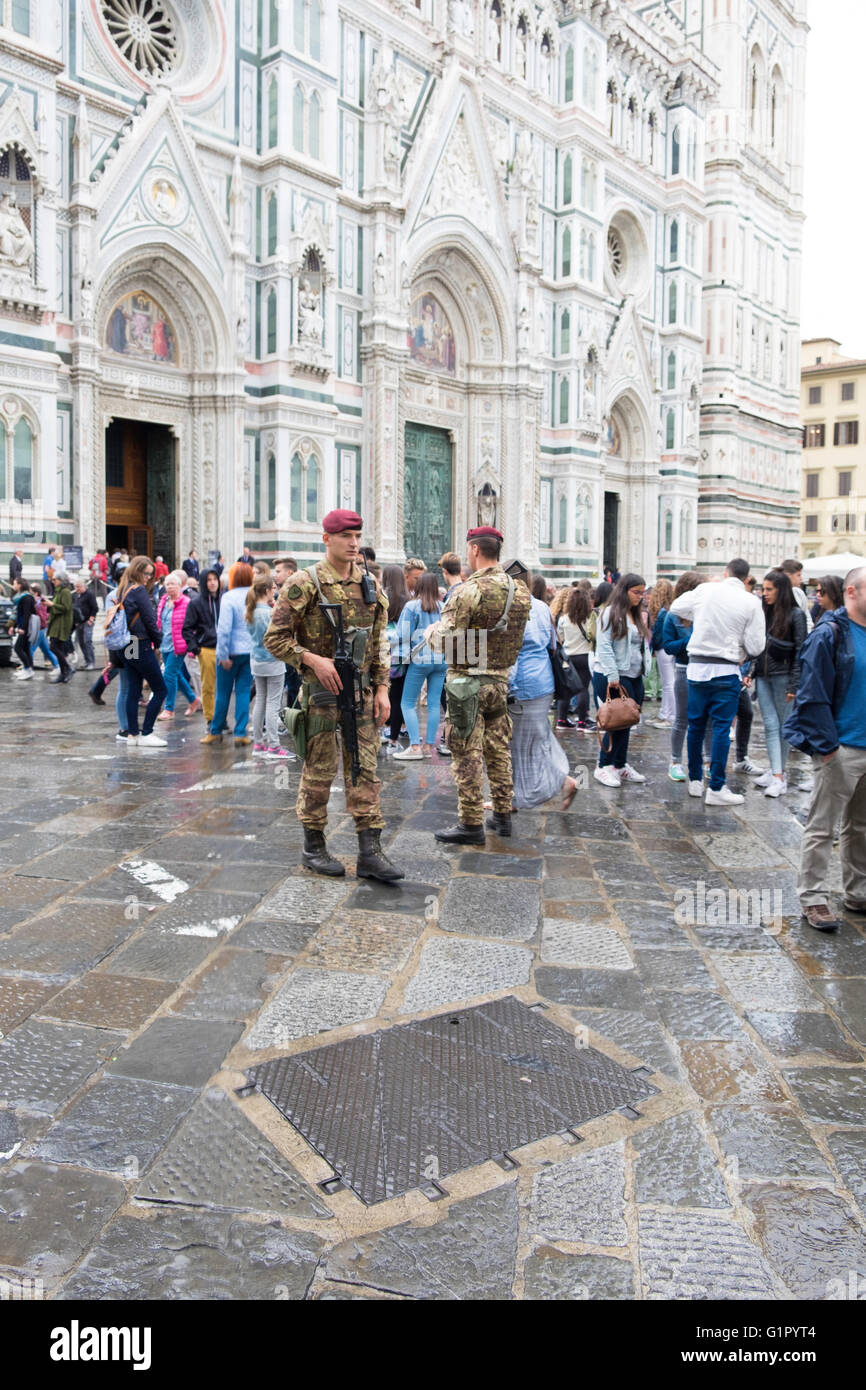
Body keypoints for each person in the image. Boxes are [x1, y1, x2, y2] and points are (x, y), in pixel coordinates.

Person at [263, 509, 403, 882]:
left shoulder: (370, 583)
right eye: (345, 536)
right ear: (327, 539)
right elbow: (274, 638)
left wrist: (384, 688)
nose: (354, 542)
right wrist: (311, 660)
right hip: (320, 696)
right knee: (319, 772)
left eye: (357, 535)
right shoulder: (304, 583)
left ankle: (370, 852)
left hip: (362, 696)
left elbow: (379, 642)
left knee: (365, 771)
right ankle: (314, 847)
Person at [430, 526, 531, 843]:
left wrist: (429, 633)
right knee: (499, 751)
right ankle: (502, 816)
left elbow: (447, 641)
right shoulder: (520, 592)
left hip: (466, 685)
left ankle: (471, 823)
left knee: (466, 754)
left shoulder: (466, 591)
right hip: (500, 682)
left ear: (474, 550)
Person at [783, 565, 866, 932]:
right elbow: (812, 694)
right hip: (842, 748)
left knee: (860, 826)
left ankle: (857, 892)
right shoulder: (830, 634)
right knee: (822, 827)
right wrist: (827, 748)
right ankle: (813, 898)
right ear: (852, 592)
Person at [669, 558, 766, 805]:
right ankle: (716, 787)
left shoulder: (706, 589)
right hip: (725, 669)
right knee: (722, 727)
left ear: (725, 573)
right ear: (746, 578)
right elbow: (756, 646)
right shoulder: (751, 601)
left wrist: (700, 614)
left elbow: (677, 607)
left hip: (697, 668)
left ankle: (694, 780)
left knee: (696, 725)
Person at [508, 565, 578, 811]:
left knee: (520, 743)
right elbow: (551, 644)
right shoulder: (540, 606)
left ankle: (563, 781)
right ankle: (513, 796)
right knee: (536, 738)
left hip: (523, 686)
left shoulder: (511, 608)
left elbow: (511, 652)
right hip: (544, 682)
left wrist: (508, 687)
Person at [744, 568, 807, 798]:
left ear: (781, 590)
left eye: (769, 589)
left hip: (784, 676)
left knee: (784, 726)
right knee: (771, 724)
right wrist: (752, 670)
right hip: (763, 676)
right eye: (763, 589)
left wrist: (794, 684)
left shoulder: (795, 615)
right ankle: (777, 773)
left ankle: (779, 774)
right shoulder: (764, 612)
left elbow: (801, 651)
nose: (764, 593)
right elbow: (759, 646)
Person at [593, 573, 651, 788]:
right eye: (636, 592)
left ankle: (619, 763)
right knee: (614, 721)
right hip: (614, 676)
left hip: (634, 675)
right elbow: (604, 645)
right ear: (624, 591)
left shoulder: (636, 614)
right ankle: (603, 765)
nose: (640, 597)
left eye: (642, 593)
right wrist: (612, 675)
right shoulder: (610, 613)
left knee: (628, 720)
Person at [393, 571, 447, 759]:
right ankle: (428, 746)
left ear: (419, 587)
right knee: (433, 704)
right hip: (441, 660)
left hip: (419, 660)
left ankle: (415, 745)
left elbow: (402, 635)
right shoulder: (444, 607)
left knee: (407, 703)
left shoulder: (412, 607)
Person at [201, 563, 254, 747]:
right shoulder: (254, 595)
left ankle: (215, 731)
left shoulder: (229, 597)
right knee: (243, 692)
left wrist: (223, 655)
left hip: (230, 652)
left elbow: (224, 629)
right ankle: (241, 732)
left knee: (222, 693)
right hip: (249, 651)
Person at [119, 556, 168, 746]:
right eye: (145, 573)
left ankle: (132, 734)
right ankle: (147, 732)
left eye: (151, 574)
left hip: (129, 643)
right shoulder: (138, 591)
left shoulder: (125, 589)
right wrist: (159, 642)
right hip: (141, 643)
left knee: (133, 689)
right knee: (160, 689)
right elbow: (150, 620)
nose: (148, 577)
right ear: (137, 571)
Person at [246, 577, 290, 759]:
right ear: (266, 590)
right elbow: (279, 634)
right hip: (272, 660)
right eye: (273, 588)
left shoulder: (251, 611)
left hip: (256, 660)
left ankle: (258, 743)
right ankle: (274, 745)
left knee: (260, 701)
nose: (275, 590)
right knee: (273, 702)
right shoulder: (268, 613)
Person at [156, 570, 199, 720]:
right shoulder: (163, 601)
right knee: (176, 674)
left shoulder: (186, 602)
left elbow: (193, 625)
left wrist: (192, 646)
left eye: (173, 584)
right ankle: (193, 700)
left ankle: (169, 709)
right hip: (165, 644)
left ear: (180, 585)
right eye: (167, 584)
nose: (169, 587)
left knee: (169, 674)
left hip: (179, 645)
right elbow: (159, 623)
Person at [181, 567, 221, 726]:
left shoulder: (223, 599)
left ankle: (221, 718)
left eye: (215, 579)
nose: (212, 583)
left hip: (225, 650)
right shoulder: (196, 603)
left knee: (223, 689)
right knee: (208, 686)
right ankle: (210, 719)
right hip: (207, 649)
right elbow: (187, 628)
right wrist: (195, 648)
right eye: (209, 580)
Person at [556, 585, 594, 731]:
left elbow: (561, 638)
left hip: (569, 656)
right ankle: (582, 722)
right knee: (583, 689)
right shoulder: (590, 619)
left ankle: (561, 719)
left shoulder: (564, 619)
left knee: (567, 689)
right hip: (584, 656)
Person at [382, 564, 410, 749]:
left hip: (384, 653)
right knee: (399, 696)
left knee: (383, 692)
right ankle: (395, 732)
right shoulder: (408, 599)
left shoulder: (382, 596)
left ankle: (384, 728)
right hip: (404, 654)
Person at [648, 579, 676, 729]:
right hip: (667, 648)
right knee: (667, 683)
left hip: (663, 648)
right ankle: (664, 713)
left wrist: (652, 648)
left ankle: (670, 716)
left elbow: (658, 633)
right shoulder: (669, 609)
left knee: (668, 683)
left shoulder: (663, 612)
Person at [47, 574, 75, 682]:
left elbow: (66, 608)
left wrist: (51, 605)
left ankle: (68, 668)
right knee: (58, 648)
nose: (53, 581)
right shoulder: (59, 591)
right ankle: (64, 674)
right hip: (56, 623)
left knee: (53, 646)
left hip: (62, 624)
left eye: (55, 579)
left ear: (61, 580)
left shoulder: (65, 592)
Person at [29, 584, 59, 673]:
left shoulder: (39, 602)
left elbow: (41, 616)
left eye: (31, 592)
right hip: (42, 628)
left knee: (30, 649)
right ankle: (57, 666)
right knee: (46, 650)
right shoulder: (41, 599)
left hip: (40, 628)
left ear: (35, 593)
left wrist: (42, 625)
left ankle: (27, 668)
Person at [12, 579, 37, 680]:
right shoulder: (22, 597)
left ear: (20, 585)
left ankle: (28, 669)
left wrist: (23, 628)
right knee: (26, 649)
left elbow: (27, 614)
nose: (13, 585)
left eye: (15, 583)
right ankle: (28, 669)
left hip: (26, 627)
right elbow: (19, 614)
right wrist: (13, 627)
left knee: (18, 648)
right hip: (23, 626)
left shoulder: (26, 598)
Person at [73, 577, 98, 669]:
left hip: (88, 621)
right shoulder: (76, 596)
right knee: (81, 642)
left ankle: (91, 662)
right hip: (79, 622)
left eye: (78, 587)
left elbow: (95, 607)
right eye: (75, 587)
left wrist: (91, 618)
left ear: (84, 586)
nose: (77, 589)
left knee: (87, 641)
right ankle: (87, 661)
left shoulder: (89, 595)